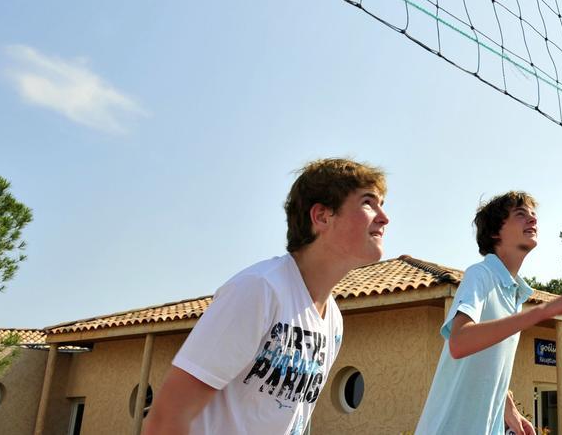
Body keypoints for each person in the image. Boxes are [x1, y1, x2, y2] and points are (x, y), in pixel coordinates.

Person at [144, 158, 389, 435]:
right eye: (368, 203)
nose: (384, 217)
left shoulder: (333, 320)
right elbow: (164, 422)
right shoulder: (258, 289)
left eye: (382, 204)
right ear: (321, 216)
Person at [414, 192, 562, 435]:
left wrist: (509, 409)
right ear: (494, 233)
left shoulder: (512, 294)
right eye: (521, 214)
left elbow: (486, 365)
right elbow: (459, 342)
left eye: (533, 215)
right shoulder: (480, 275)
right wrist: (546, 310)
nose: (532, 220)